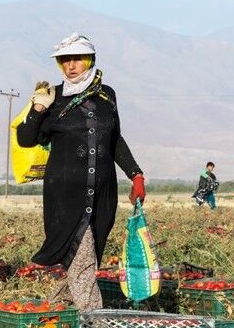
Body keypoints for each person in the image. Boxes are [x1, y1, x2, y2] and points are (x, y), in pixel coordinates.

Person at [16, 33, 145, 311]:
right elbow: (26, 139)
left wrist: (135, 174)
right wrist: (38, 107)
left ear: (89, 60)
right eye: (64, 60)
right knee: (83, 262)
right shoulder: (53, 97)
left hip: (102, 193)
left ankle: (52, 318)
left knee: (85, 258)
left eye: (76, 59)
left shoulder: (106, 95)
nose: (70, 66)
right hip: (65, 195)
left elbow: (114, 139)